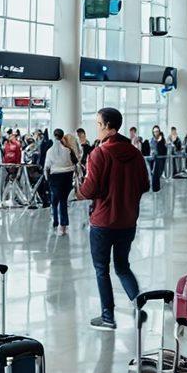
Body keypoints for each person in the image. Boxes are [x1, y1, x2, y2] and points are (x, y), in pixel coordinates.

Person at [78, 106, 150, 331]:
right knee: (122, 266)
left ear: (109, 126)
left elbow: (90, 190)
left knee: (102, 269)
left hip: (103, 222)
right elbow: (145, 185)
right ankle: (138, 304)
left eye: (99, 124)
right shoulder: (135, 153)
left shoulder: (99, 153)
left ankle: (107, 317)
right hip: (127, 221)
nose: (96, 129)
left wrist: (79, 188)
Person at [44, 128, 78, 235]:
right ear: (62, 136)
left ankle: (55, 222)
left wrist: (47, 179)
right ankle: (63, 226)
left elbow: (47, 167)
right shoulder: (68, 150)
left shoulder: (50, 151)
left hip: (55, 177)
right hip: (67, 177)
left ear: (54, 136)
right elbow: (74, 163)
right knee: (63, 200)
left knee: (54, 201)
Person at [149, 125, 167, 192]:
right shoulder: (152, 140)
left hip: (160, 159)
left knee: (158, 173)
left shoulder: (162, 140)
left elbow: (163, 150)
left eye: (157, 131)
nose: (155, 133)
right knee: (154, 174)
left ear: (159, 131)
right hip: (154, 159)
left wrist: (159, 141)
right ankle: (155, 189)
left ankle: (157, 188)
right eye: (154, 132)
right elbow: (152, 149)